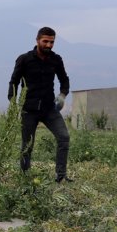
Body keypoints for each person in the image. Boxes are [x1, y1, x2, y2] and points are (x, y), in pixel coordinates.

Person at [8, 26, 72, 183]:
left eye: (52, 42)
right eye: (45, 41)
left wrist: (62, 95)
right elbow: (14, 82)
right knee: (27, 145)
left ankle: (61, 176)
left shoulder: (56, 59)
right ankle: (25, 178)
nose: (49, 45)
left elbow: (64, 79)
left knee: (64, 137)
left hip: (49, 108)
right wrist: (13, 102)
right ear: (37, 41)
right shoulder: (24, 59)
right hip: (29, 110)